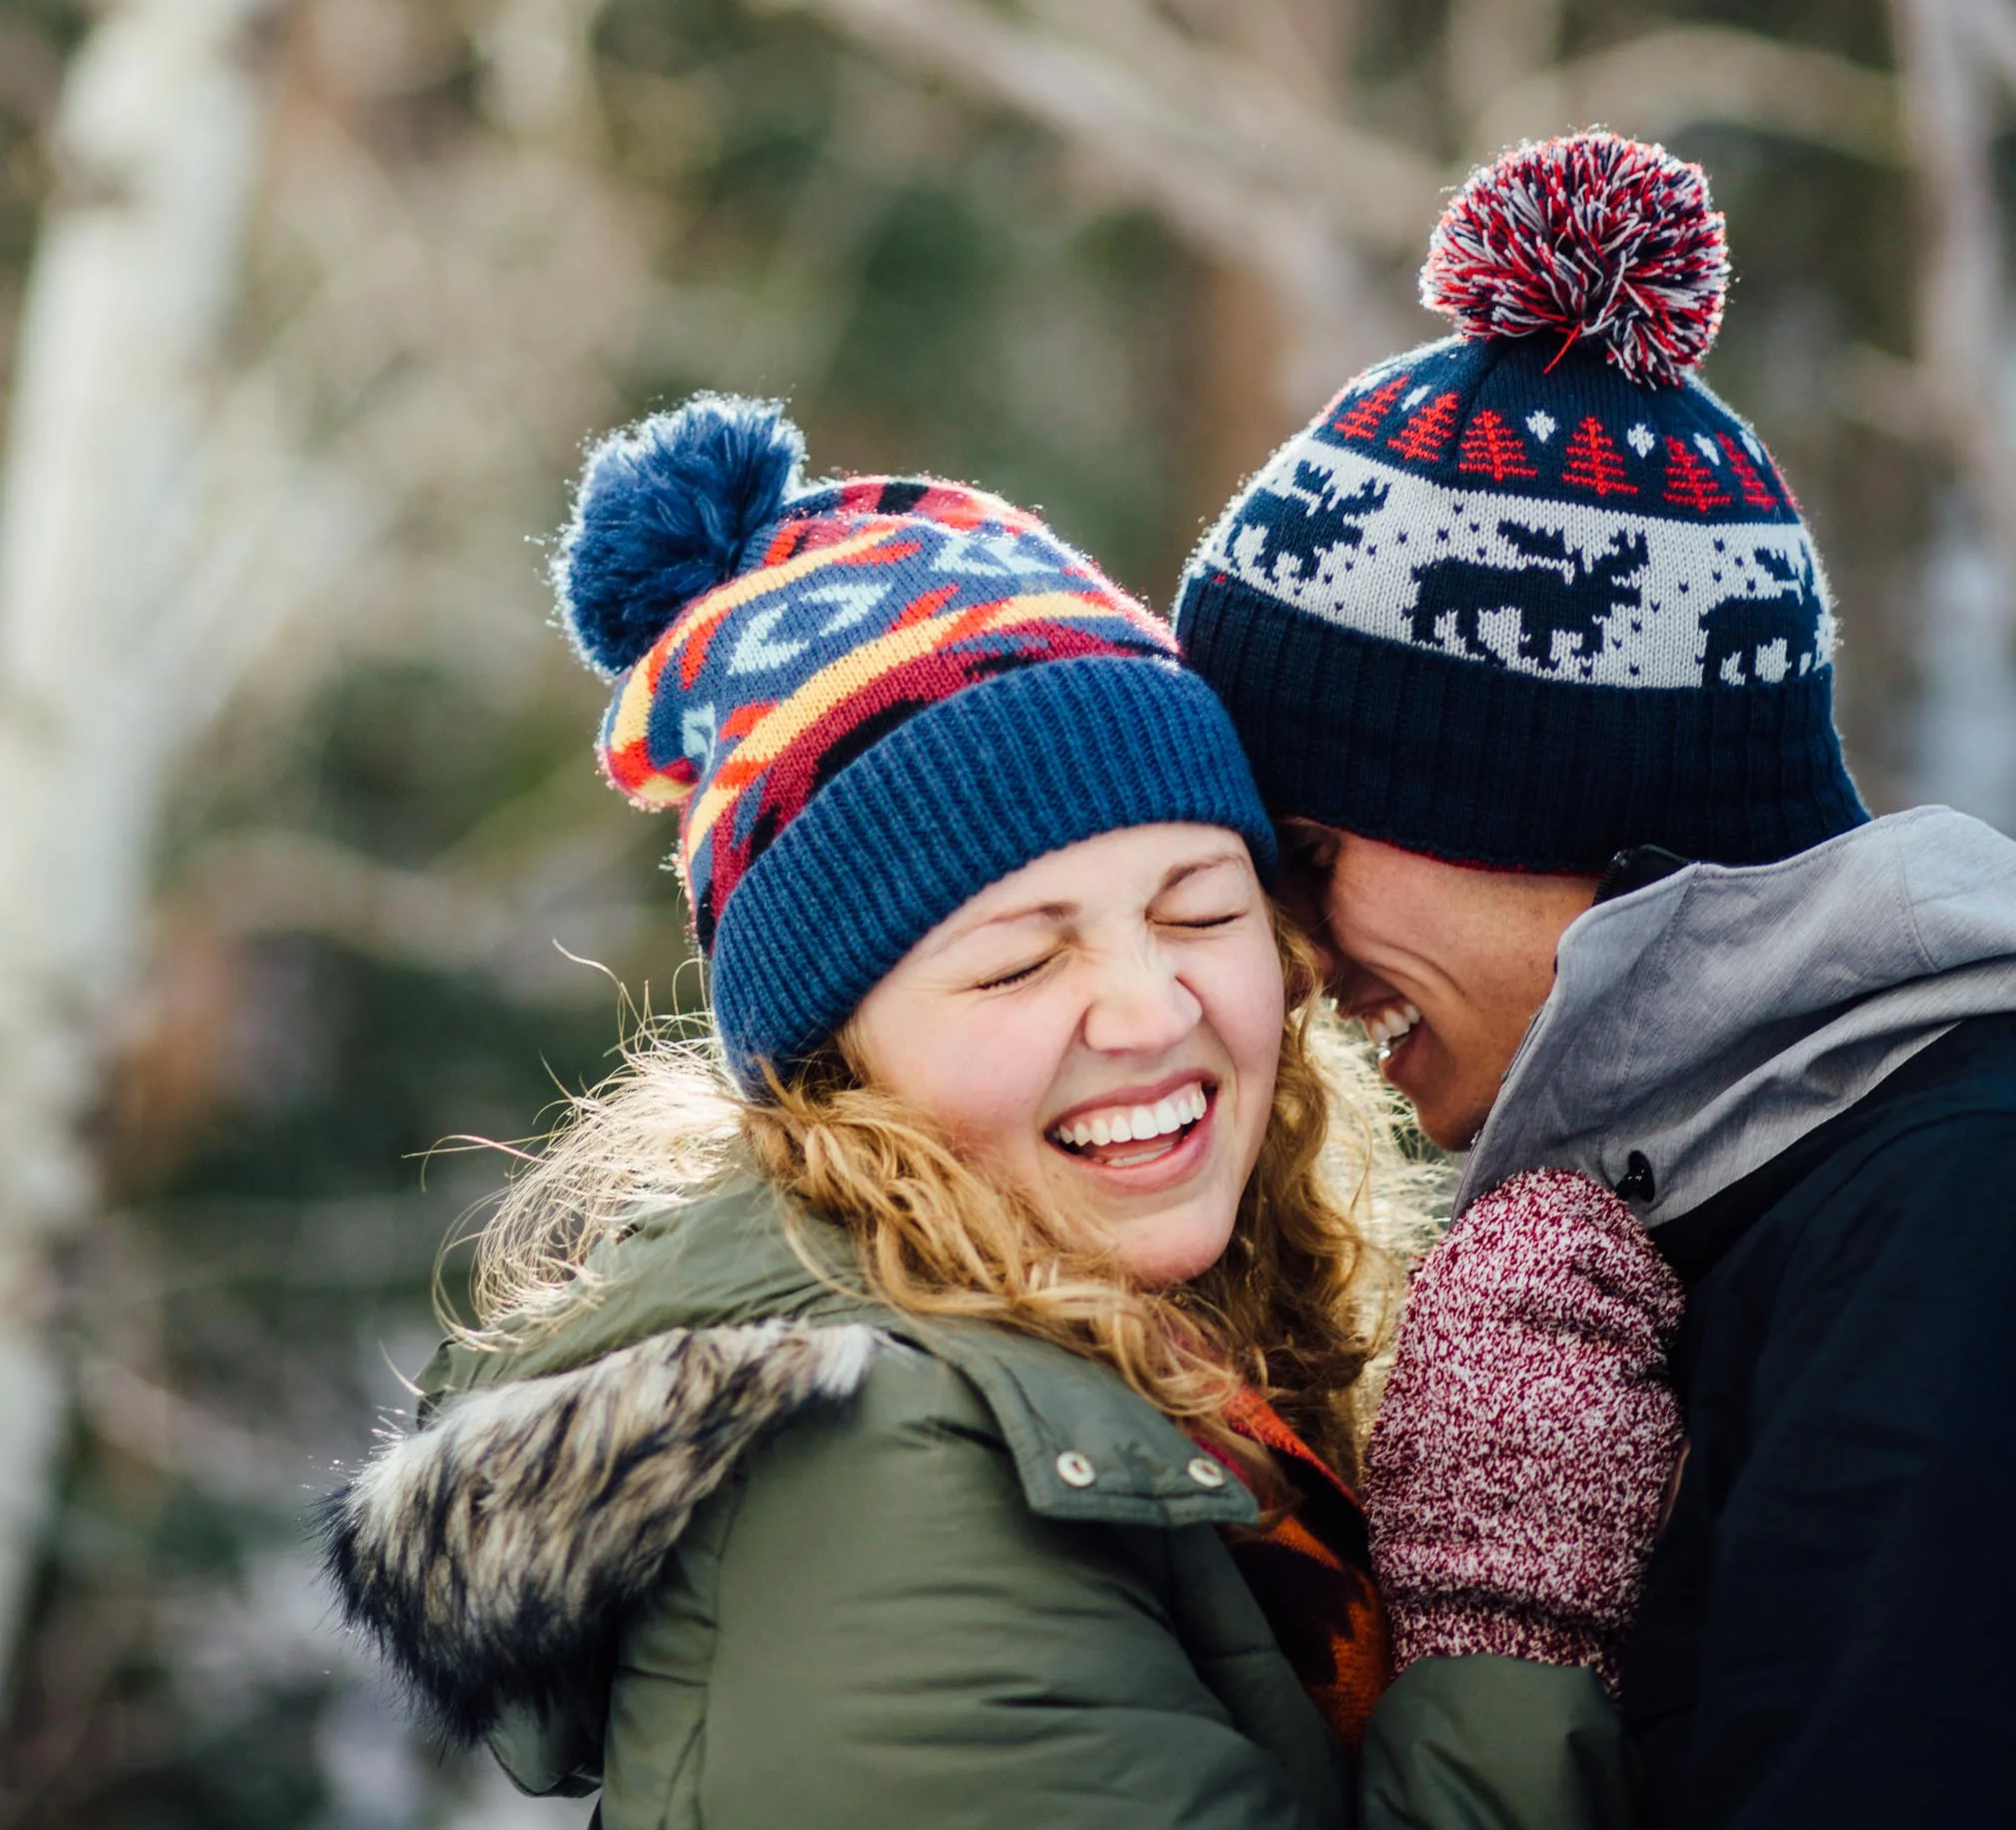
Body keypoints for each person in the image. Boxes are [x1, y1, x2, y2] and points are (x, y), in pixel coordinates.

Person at [325, 397, 1679, 1829]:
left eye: (1198, 911)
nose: (1149, 1010)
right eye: (1022, 963)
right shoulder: (877, 1485)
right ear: (833, 1063)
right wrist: (1503, 1621)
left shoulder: (1180, 1363)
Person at [1179, 125, 2016, 1829]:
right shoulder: (1726, 1200)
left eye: (1311, 852)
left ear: (1550, 804)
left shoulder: (1949, 1222)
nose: (1293, 956)